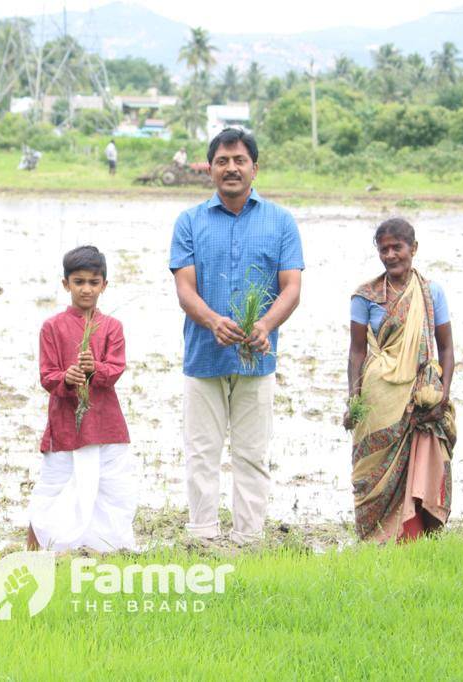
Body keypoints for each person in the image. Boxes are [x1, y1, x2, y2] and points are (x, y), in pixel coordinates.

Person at [169, 128, 303, 545]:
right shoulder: (190, 221)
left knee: (251, 454)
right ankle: (203, 536)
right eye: (223, 161)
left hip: (257, 357)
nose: (231, 168)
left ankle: (248, 538)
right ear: (209, 169)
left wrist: (264, 326)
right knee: (202, 453)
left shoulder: (280, 221)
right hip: (203, 355)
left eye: (239, 160)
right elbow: (185, 289)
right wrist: (212, 321)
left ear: (254, 168)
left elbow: (291, 288)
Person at [344, 218, 456, 542]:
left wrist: (443, 396)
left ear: (414, 249)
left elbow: (447, 347)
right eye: (384, 249)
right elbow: (356, 353)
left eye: (398, 247)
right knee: (371, 472)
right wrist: (355, 400)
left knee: (419, 468)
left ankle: (412, 539)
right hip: (379, 400)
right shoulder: (364, 296)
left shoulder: (431, 292)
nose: (391, 255)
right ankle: (375, 539)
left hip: (420, 401)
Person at [27, 245, 136, 552]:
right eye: (79, 282)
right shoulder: (52, 327)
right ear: (66, 284)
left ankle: (109, 549)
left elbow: (115, 370)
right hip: (65, 422)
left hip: (105, 424)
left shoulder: (113, 327)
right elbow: (47, 375)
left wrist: (94, 369)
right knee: (53, 489)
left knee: (112, 491)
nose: (86, 289)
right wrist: (68, 378)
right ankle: (37, 550)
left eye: (93, 282)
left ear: (104, 285)